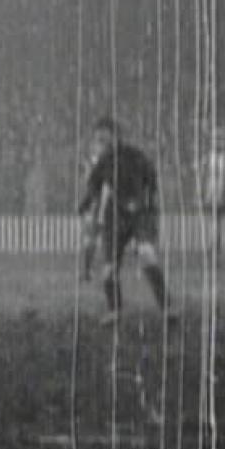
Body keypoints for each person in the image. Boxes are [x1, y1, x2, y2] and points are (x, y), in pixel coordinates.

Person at [78, 116, 174, 326]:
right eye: (98, 140)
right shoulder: (104, 162)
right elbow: (93, 187)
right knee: (109, 269)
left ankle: (167, 308)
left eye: (104, 139)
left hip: (139, 215)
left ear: (116, 136)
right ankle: (114, 311)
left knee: (147, 255)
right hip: (115, 217)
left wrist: (144, 202)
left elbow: (151, 179)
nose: (101, 143)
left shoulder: (135, 156)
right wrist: (84, 205)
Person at [202, 122, 225, 260]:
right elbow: (204, 176)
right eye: (216, 138)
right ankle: (215, 245)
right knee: (215, 220)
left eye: (221, 138)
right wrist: (203, 192)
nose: (218, 141)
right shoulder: (208, 157)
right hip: (213, 193)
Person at [79, 135, 110, 282]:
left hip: (104, 203)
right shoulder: (92, 163)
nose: (96, 148)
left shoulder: (106, 163)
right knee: (91, 238)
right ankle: (88, 270)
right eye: (95, 145)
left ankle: (98, 270)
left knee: (101, 238)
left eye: (99, 145)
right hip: (97, 203)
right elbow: (89, 183)